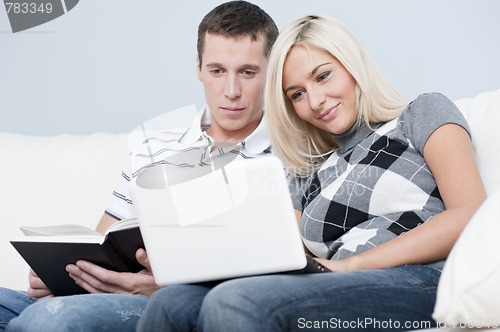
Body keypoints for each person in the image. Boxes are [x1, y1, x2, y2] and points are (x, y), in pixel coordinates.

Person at [136, 14, 486, 331]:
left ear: (352, 65)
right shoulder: (306, 168)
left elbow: (469, 212)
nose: (315, 101)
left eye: (323, 76)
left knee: (237, 302)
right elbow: (275, 249)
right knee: (173, 303)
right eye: (297, 94)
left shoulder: (420, 114)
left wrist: (351, 267)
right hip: (331, 284)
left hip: (420, 280)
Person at [0, 1, 278, 331]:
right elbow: (102, 239)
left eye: (247, 72)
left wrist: (162, 286)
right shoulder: (151, 141)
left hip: (158, 305)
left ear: (271, 72)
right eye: (217, 71)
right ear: (199, 68)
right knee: (39, 311)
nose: (231, 91)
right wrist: (63, 275)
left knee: (52, 319)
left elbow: (266, 280)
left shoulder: (286, 157)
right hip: (91, 297)